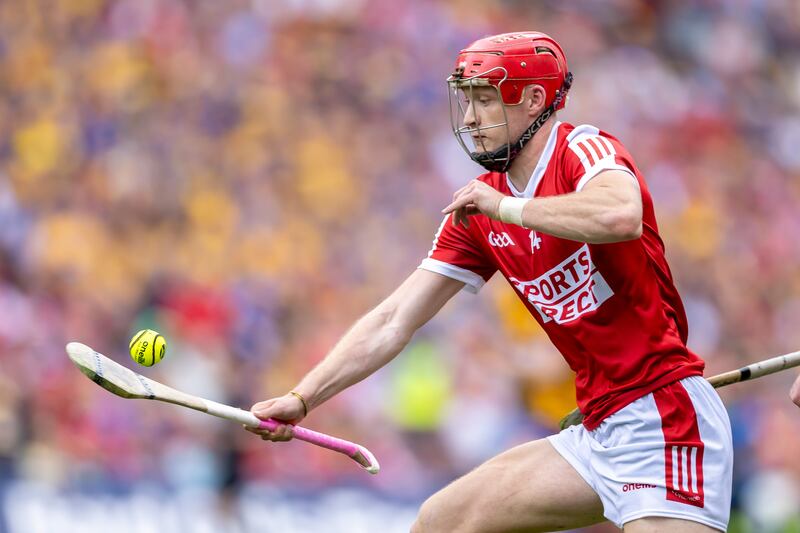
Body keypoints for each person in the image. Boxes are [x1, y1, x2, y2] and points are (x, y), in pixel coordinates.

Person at [245, 32, 733, 532]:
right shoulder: (479, 210)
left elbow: (620, 214)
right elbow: (394, 319)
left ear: (535, 101)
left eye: (486, 99)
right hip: (598, 429)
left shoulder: (581, 151)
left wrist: (507, 209)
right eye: (467, 99)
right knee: (442, 521)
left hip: (665, 420)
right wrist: (304, 398)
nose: (472, 118)